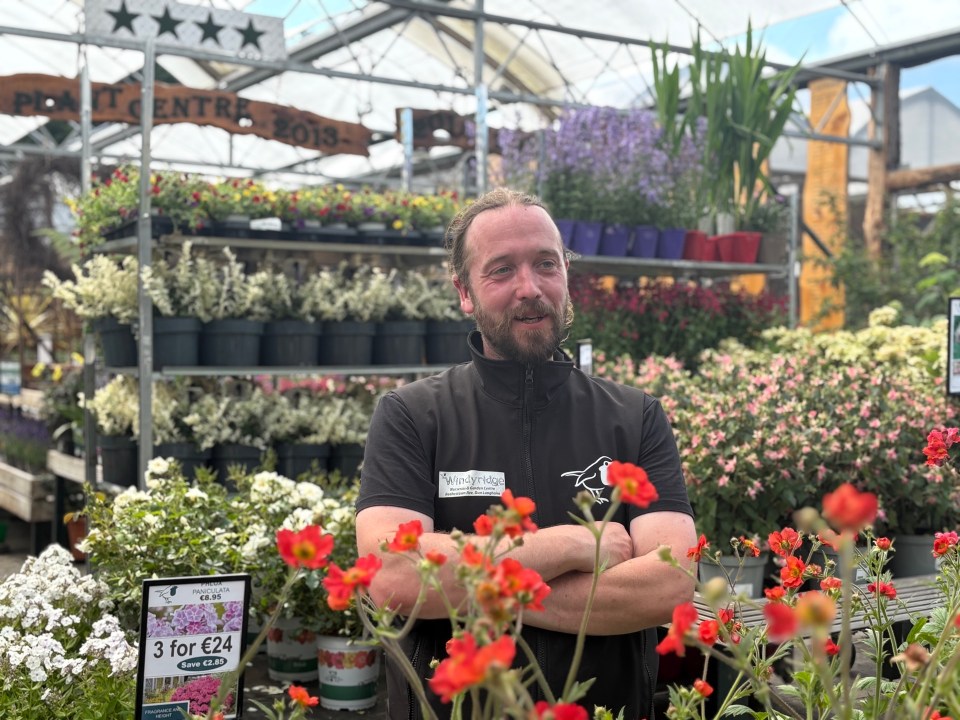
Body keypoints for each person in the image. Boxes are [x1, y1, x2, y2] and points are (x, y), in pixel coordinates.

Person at [356, 187, 697, 719]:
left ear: (566, 274)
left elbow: (670, 584)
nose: (529, 288)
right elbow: (394, 578)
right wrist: (568, 545)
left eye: (546, 264)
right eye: (500, 270)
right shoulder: (413, 416)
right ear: (464, 291)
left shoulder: (633, 416)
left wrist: (472, 586)